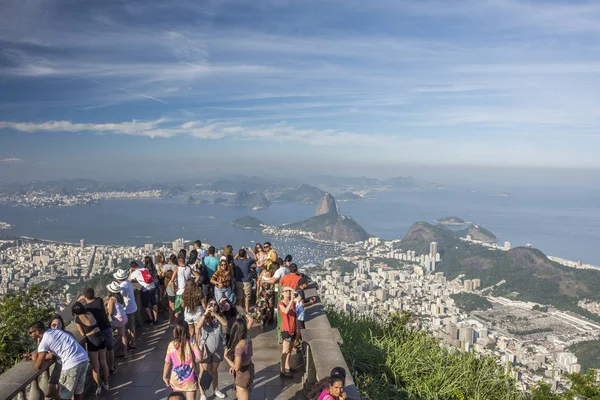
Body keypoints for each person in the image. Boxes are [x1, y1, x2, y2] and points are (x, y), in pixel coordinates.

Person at [28, 321, 88, 400]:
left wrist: (35, 357)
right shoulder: (55, 331)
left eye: (30, 332)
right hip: (83, 358)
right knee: (78, 392)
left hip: (71, 364)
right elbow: (52, 353)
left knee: (64, 395)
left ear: (37, 331)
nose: (30, 335)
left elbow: (38, 365)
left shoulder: (44, 341)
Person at [72, 302, 109, 394]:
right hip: (101, 337)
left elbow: (82, 334)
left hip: (93, 342)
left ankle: (98, 386)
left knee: (95, 366)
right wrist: (95, 330)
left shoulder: (78, 319)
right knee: (104, 363)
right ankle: (107, 383)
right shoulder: (90, 314)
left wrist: (91, 332)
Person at [78, 287, 115, 374]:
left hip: (97, 333)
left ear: (84, 296)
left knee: (98, 357)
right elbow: (95, 298)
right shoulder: (100, 301)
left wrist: (79, 301)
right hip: (107, 328)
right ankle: (112, 368)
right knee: (110, 349)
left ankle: (103, 374)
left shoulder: (86, 308)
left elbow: (77, 310)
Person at [198, 299, 228, 399]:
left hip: (217, 349)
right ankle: (203, 394)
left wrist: (215, 314)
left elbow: (225, 324)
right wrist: (206, 312)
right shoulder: (203, 316)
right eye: (211, 304)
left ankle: (216, 389)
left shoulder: (219, 316)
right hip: (205, 350)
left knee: (214, 370)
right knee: (203, 372)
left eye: (215, 304)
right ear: (207, 305)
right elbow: (198, 327)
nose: (213, 306)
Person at [163, 320, 201, 400]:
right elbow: (199, 358)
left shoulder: (171, 345)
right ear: (187, 330)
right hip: (190, 377)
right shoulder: (192, 342)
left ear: (175, 331)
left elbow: (167, 362)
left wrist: (165, 376)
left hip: (176, 378)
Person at [224, 318, 254, 400]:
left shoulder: (239, 346)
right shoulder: (248, 337)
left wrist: (226, 357)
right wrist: (233, 366)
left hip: (242, 373)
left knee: (242, 396)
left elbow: (237, 368)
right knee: (244, 391)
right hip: (249, 367)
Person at [46, 315, 72, 400]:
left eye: (59, 324)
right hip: (68, 363)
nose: (57, 327)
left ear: (62, 325)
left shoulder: (59, 336)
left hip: (66, 364)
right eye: (54, 325)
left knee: (54, 386)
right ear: (50, 326)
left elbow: (50, 355)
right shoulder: (68, 334)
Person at [113, 268, 138, 349]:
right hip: (133, 306)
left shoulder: (122, 285)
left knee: (130, 328)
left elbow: (117, 296)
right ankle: (132, 341)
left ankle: (132, 342)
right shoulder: (127, 282)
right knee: (131, 326)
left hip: (129, 308)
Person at [129, 260, 159, 324]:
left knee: (145, 305)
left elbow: (129, 280)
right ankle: (156, 319)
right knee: (154, 303)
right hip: (153, 287)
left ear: (132, 267)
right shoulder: (145, 269)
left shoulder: (135, 273)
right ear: (137, 265)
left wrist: (131, 272)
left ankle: (150, 319)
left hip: (146, 290)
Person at [106, 281, 129, 358]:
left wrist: (107, 309)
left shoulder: (112, 299)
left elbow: (110, 312)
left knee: (107, 330)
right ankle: (125, 352)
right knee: (123, 335)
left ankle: (111, 350)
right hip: (124, 317)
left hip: (118, 319)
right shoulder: (120, 296)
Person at [278, 286, 296, 378]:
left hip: (293, 328)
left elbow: (300, 298)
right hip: (286, 329)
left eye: (289, 291)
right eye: (285, 291)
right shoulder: (281, 303)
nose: (288, 293)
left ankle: (288, 366)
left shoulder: (292, 301)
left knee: (290, 350)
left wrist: (292, 290)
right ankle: (282, 371)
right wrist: (291, 300)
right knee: (285, 351)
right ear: (282, 293)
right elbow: (285, 311)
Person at [294, 275, 317, 347]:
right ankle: (295, 343)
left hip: (297, 312)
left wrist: (308, 300)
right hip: (298, 313)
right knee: (299, 328)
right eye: (306, 283)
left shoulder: (298, 290)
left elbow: (301, 301)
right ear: (302, 284)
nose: (307, 285)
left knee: (299, 328)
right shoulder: (300, 292)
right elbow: (301, 304)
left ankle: (296, 342)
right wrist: (310, 303)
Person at [233, 248, 255, 313]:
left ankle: (240, 311)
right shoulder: (248, 261)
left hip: (239, 281)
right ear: (245, 254)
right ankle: (247, 311)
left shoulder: (236, 262)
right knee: (247, 298)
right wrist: (251, 251)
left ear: (239, 255)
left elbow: (234, 258)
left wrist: (240, 251)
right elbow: (255, 258)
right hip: (247, 281)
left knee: (240, 297)